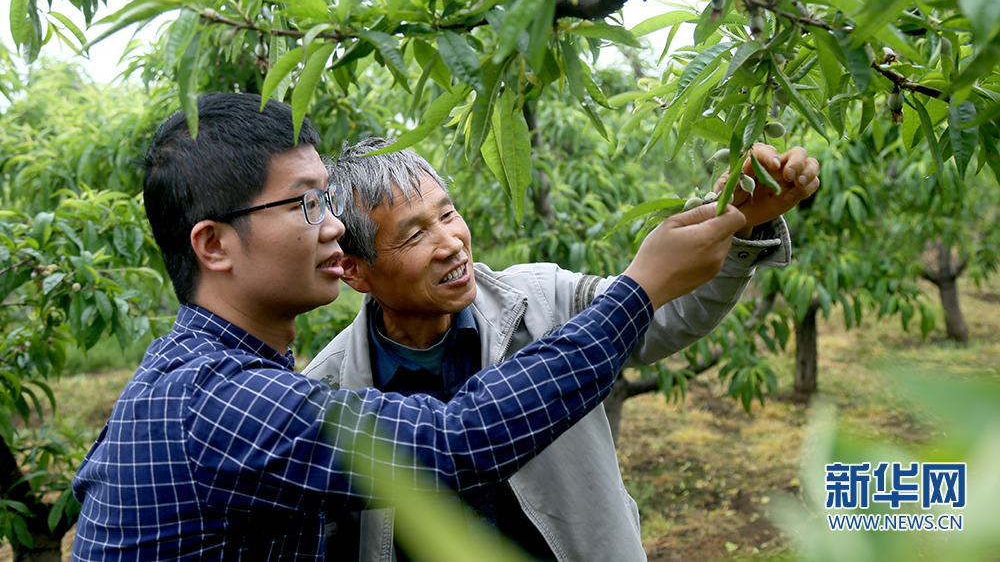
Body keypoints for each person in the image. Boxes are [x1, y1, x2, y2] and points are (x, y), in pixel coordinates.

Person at [70, 93, 751, 561]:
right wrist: (640, 285)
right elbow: (453, 441)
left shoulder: (219, 381)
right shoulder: (222, 402)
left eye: (447, 214)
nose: (332, 226)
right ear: (214, 245)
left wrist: (734, 230)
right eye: (306, 205)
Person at [303, 137, 820, 562]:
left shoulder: (540, 299)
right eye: (414, 235)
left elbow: (664, 313)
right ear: (354, 270)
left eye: (448, 213)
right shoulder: (329, 389)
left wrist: (742, 225)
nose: (452, 242)